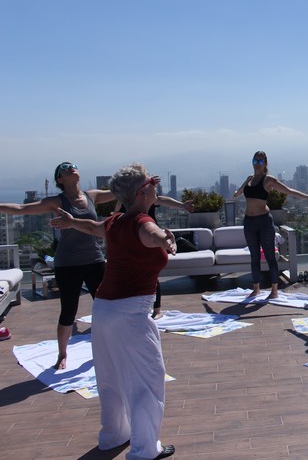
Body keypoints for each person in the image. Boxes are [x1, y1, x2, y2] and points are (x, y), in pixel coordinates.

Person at [51, 163, 176, 459]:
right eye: (151, 183)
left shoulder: (115, 221)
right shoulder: (141, 221)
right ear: (142, 191)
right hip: (131, 314)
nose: (156, 186)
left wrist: (71, 223)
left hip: (103, 311)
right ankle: (145, 449)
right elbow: (151, 233)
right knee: (148, 379)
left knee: (111, 378)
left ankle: (113, 435)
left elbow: (93, 228)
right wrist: (166, 240)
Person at [0, 162, 116, 369]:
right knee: (68, 310)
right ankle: (62, 354)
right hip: (68, 263)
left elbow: (120, 191)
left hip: (94, 259)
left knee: (106, 306)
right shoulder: (56, 201)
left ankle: (111, 347)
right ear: (59, 180)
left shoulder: (92, 196)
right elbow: (21, 209)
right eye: (65, 168)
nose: (71, 168)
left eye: (74, 166)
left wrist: (143, 180)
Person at [233, 151, 308, 299]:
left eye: (260, 162)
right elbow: (238, 193)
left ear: (266, 164)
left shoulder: (268, 180)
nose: (257, 164)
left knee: (270, 256)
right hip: (249, 222)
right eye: (255, 161)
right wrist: (235, 193)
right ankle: (256, 288)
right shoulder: (249, 179)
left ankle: (274, 290)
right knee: (254, 256)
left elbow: (289, 191)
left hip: (264, 221)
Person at [114, 186, 194, 319]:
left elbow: (162, 200)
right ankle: (135, 306)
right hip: (131, 237)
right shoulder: (126, 201)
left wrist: (182, 205)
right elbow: (116, 212)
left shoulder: (147, 200)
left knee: (151, 274)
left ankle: (157, 310)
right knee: (132, 273)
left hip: (150, 236)